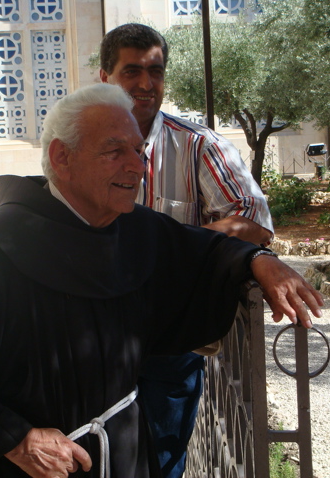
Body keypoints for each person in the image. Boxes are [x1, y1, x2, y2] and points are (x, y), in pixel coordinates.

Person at [0, 83, 322, 478]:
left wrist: (259, 260)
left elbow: (204, 251)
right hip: (45, 466)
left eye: (139, 151)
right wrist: (18, 440)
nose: (136, 166)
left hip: (124, 453)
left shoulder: (134, 228)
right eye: (114, 151)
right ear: (61, 158)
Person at [99, 23, 274, 478]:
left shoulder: (197, 144)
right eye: (131, 71)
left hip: (168, 343)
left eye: (154, 71)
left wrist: (177, 253)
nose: (144, 84)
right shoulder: (81, 144)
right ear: (104, 77)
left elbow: (253, 219)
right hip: (93, 338)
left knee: (161, 461)